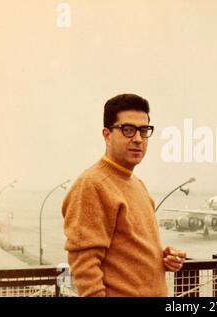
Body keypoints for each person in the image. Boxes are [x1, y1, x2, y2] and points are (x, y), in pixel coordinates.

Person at [62, 93, 186, 297]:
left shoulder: (138, 185)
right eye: (127, 130)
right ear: (106, 134)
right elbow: (84, 264)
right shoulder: (93, 184)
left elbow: (129, 251)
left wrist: (163, 258)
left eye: (144, 130)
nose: (138, 139)